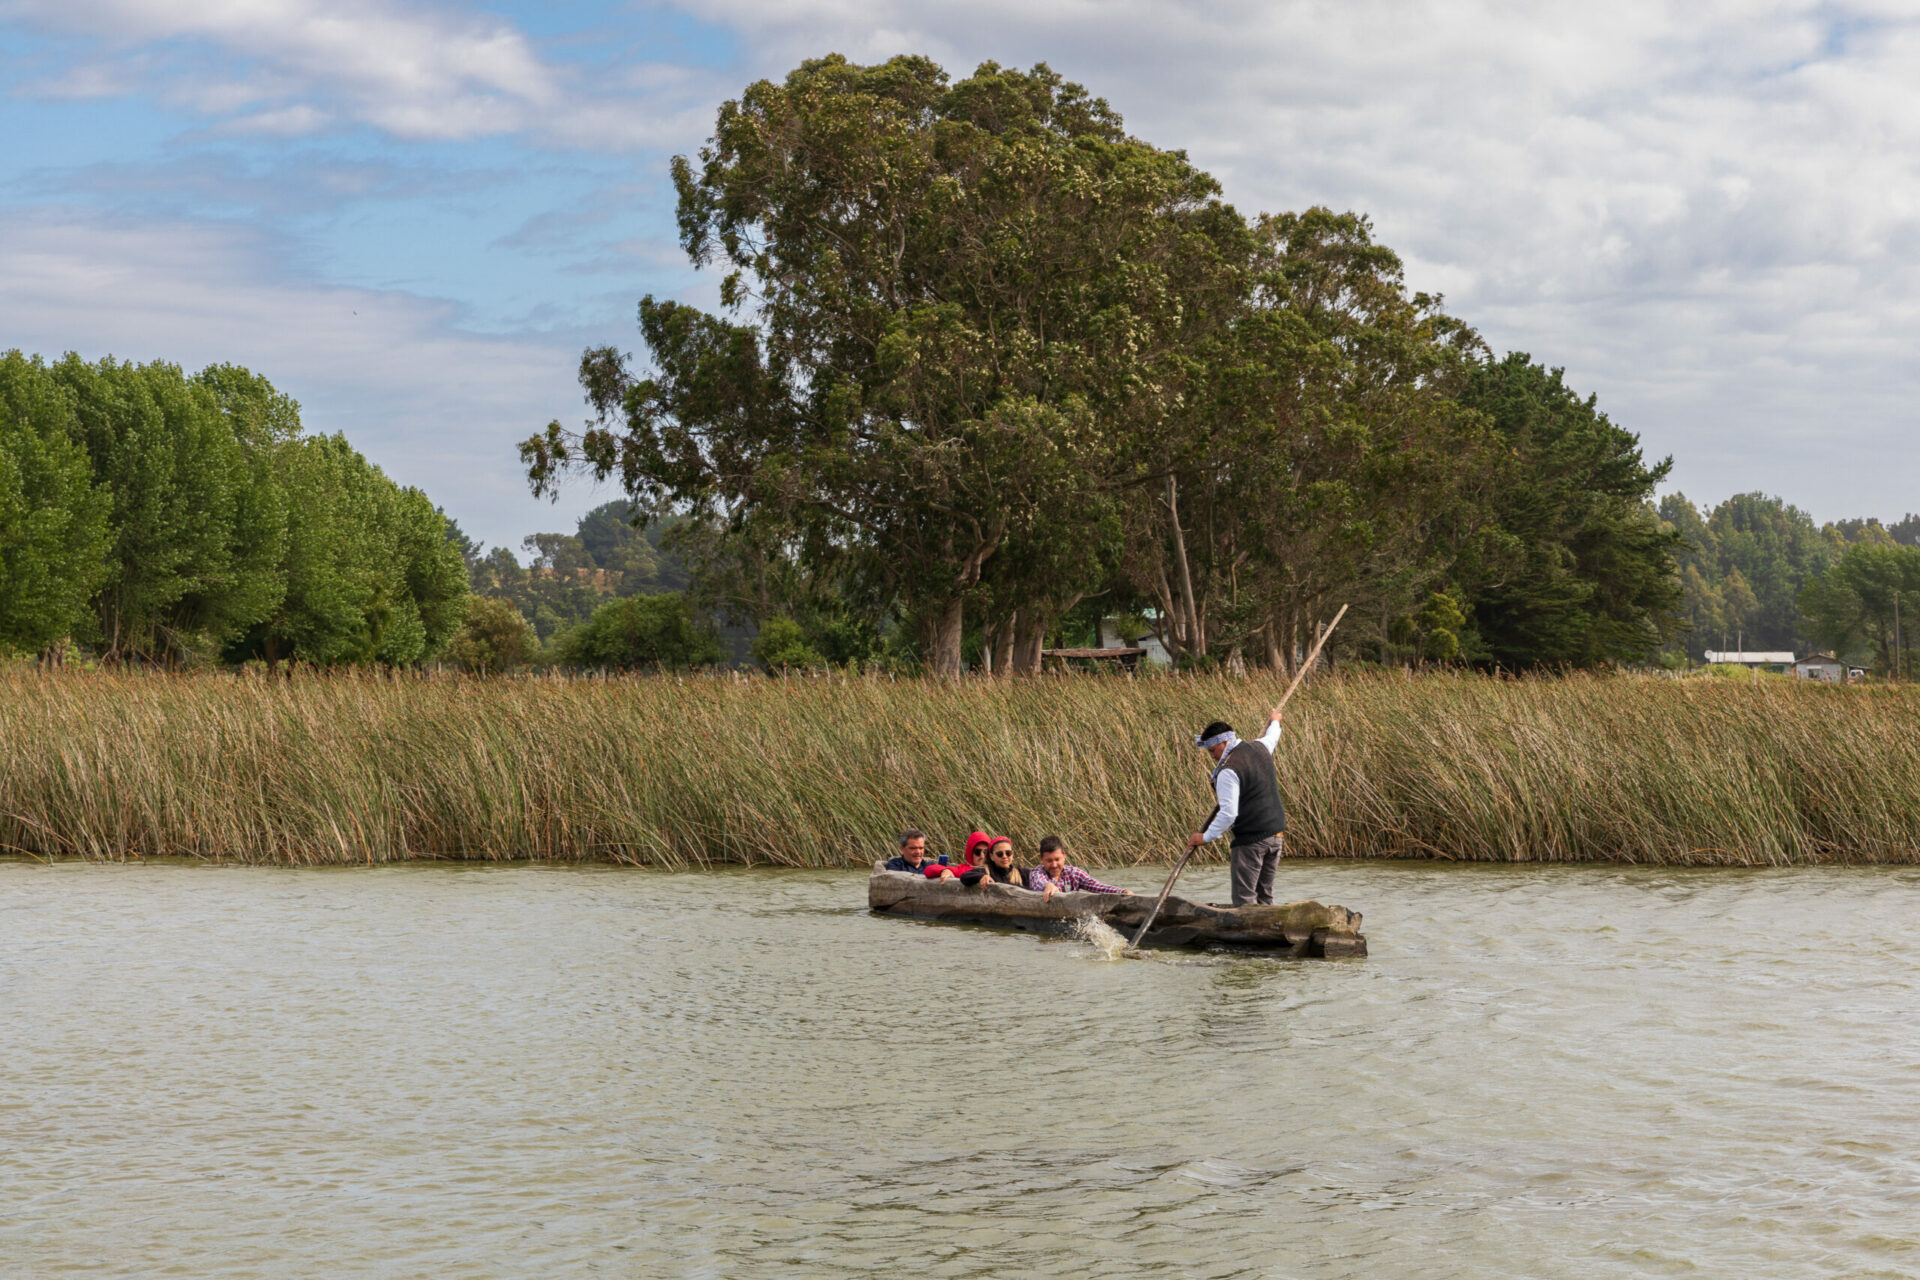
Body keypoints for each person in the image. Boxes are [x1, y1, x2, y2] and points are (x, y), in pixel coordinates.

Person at [1185, 705, 1287, 906]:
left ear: (1224, 743)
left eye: (1213, 750)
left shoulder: (1228, 770)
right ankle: (1268, 931)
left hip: (1252, 840)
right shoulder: (1260, 747)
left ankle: (1249, 935)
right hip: (1276, 835)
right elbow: (1273, 735)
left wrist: (1205, 837)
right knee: (1264, 897)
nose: (1212, 756)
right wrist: (1275, 720)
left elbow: (1229, 813)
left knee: (1245, 901)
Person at [1028, 836, 1132, 900]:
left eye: (1057, 859)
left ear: (1064, 856)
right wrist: (1048, 886)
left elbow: (1097, 886)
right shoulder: (1037, 873)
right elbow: (1038, 882)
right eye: (1049, 861)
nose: (1054, 865)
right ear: (1042, 859)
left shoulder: (1074, 873)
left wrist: (1122, 892)